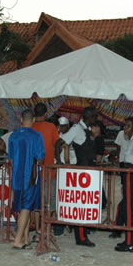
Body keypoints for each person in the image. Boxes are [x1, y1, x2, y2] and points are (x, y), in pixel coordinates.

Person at [57, 107, 98, 247]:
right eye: (95, 117)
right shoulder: (77, 128)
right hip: (81, 171)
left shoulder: (87, 129)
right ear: (90, 117)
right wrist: (59, 161)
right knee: (82, 204)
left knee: (96, 202)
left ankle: (79, 229)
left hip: (89, 170)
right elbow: (59, 143)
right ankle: (80, 237)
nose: (96, 120)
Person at [8, 109, 45, 250]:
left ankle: (25, 239)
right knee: (26, 207)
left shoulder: (13, 136)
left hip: (16, 175)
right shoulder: (36, 136)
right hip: (31, 175)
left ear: (21, 120)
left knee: (22, 208)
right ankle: (18, 240)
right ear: (34, 120)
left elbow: (10, 156)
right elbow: (41, 156)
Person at [112, 116, 133, 251]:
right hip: (130, 172)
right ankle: (129, 239)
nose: (125, 128)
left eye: (128, 126)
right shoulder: (132, 139)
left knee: (130, 208)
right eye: (124, 125)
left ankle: (131, 243)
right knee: (129, 206)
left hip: (131, 174)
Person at [32, 103, 60, 219]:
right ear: (46, 114)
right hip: (48, 169)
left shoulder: (30, 127)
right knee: (50, 199)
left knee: (35, 200)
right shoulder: (51, 127)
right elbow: (57, 144)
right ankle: (49, 225)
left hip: (32, 172)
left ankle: (36, 223)